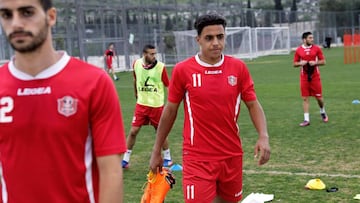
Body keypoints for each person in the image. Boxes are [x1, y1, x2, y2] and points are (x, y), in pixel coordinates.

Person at [0, 0, 127, 202]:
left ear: (51, 16)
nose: (16, 23)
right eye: (7, 15)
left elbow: (111, 171)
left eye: (27, 12)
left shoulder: (94, 82)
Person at [149, 13, 271, 203]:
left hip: (231, 156)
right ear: (198, 39)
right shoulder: (183, 70)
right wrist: (157, 150)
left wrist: (263, 136)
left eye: (220, 37)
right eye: (209, 38)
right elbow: (170, 112)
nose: (215, 43)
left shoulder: (238, 68)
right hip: (197, 158)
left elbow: (253, 104)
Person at [122, 44, 172, 169]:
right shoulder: (136, 64)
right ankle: (125, 160)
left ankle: (167, 158)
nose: (154, 56)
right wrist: (135, 93)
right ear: (144, 54)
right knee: (133, 131)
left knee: (160, 132)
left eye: (155, 53)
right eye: (151, 54)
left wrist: (171, 103)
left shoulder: (161, 67)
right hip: (141, 105)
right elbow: (135, 79)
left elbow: (168, 85)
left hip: (156, 106)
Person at [293, 32, 328, 127]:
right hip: (304, 77)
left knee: (319, 98)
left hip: (315, 77)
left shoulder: (317, 49)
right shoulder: (299, 50)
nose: (312, 39)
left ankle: (322, 111)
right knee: (305, 98)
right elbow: (294, 63)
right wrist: (301, 63)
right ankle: (306, 119)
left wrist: (315, 63)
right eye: (310, 38)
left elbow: (323, 62)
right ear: (304, 39)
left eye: (312, 37)